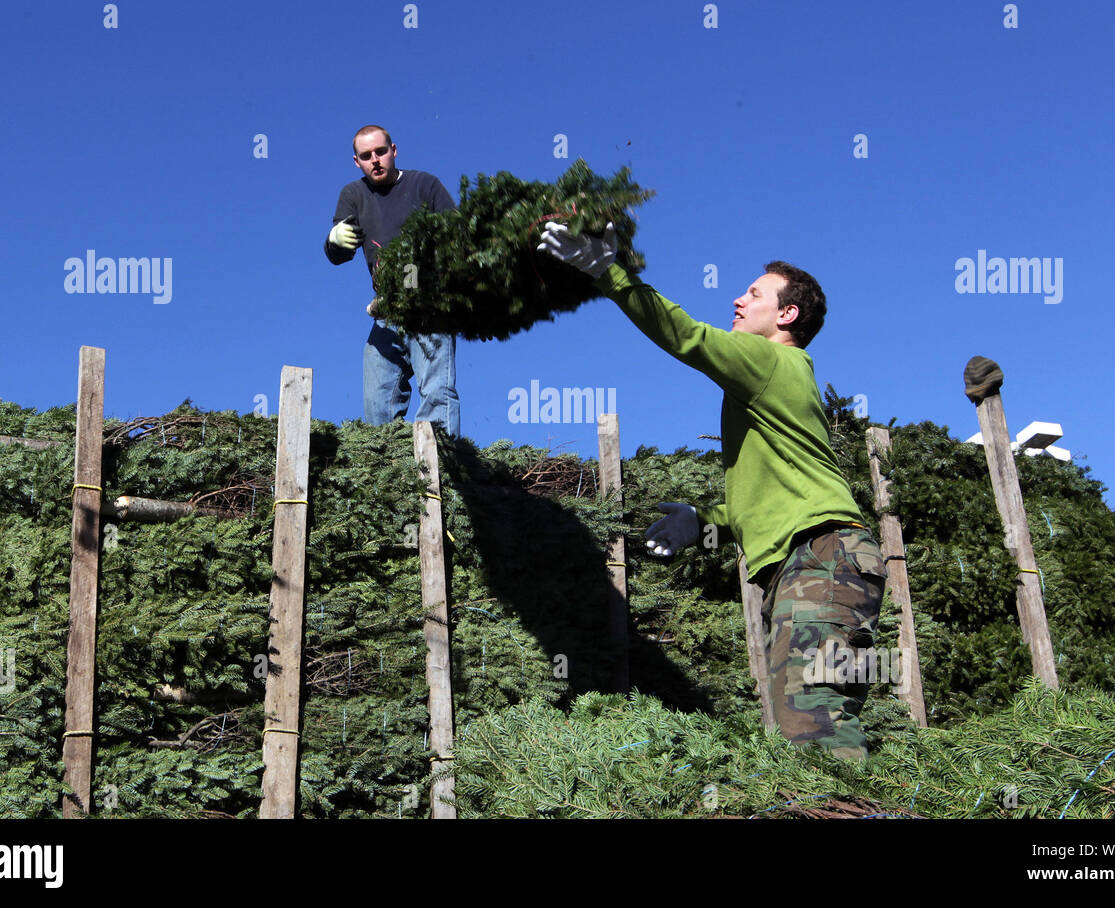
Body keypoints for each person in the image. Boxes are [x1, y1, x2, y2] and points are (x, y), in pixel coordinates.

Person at [537, 221, 886, 761]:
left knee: (813, 727)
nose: (738, 299)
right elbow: (768, 492)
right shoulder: (770, 381)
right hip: (818, 562)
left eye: (753, 293)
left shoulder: (770, 359)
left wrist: (607, 272)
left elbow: (686, 336)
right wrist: (705, 520)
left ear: (786, 315)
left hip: (823, 557)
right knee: (810, 723)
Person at [324, 125, 460, 435]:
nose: (375, 160)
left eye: (380, 152)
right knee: (377, 405)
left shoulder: (424, 186)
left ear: (394, 150)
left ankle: (441, 471)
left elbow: (457, 236)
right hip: (386, 312)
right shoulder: (354, 195)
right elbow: (338, 254)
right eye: (366, 155)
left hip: (429, 307)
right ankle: (388, 473)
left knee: (437, 395)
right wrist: (335, 241)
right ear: (357, 161)